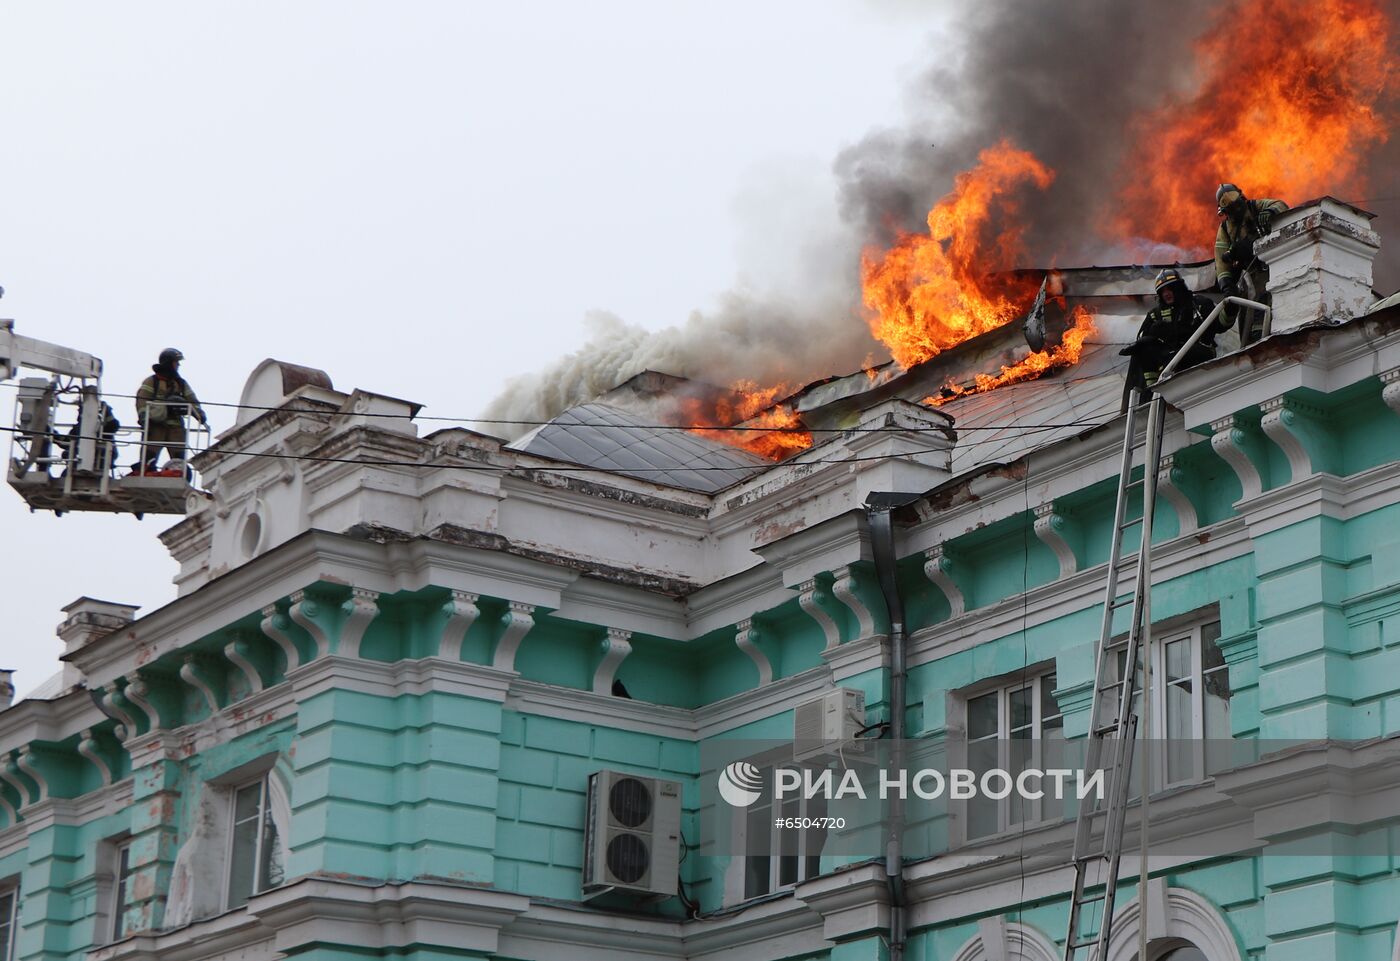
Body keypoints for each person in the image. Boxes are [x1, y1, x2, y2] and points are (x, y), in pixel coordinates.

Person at [1120, 268, 1228, 412]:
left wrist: (1230, 310)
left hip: (1198, 351)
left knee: (1179, 357)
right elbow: (1143, 338)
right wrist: (1150, 337)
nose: (1166, 293)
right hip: (1168, 358)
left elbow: (1220, 325)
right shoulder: (1155, 314)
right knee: (1143, 349)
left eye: (1170, 288)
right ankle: (1151, 392)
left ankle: (1166, 385)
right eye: (1162, 291)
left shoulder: (1199, 304)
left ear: (1179, 287)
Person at [1214, 183, 1288, 345]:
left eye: (1237, 205)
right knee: (1247, 313)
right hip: (1249, 275)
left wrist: (1270, 212)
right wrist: (1226, 285)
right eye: (1231, 210)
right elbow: (1221, 260)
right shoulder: (1225, 229)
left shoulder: (1255, 207)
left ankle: (1262, 336)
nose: (1236, 211)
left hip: (1270, 267)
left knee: (1266, 301)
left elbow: (1280, 205)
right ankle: (1251, 342)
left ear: (1242, 199)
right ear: (1225, 212)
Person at [135, 348, 206, 474]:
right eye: (176, 362)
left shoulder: (181, 384)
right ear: (169, 362)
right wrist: (144, 417)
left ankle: (178, 474)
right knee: (149, 456)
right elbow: (142, 400)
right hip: (156, 426)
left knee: (179, 459)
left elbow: (192, 400)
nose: (178, 365)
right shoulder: (152, 381)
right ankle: (146, 472)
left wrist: (199, 414)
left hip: (175, 427)